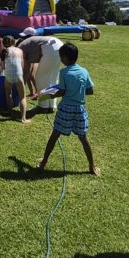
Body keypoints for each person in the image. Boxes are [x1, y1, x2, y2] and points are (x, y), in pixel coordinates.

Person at [36, 42, 99, 174]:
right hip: (80, 110)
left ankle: (43, 162)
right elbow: (90, 90)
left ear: (65, 57)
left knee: (54, 135)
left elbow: (62, 92)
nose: (60, 59)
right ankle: (92, 167)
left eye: (60, 57)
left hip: (65, 110)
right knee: (83, 137)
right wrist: (77, 91)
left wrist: (48, 95)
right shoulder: (84, 71)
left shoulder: (64, 72)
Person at [17, 27, 57, 95]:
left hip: (37, 60)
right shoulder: (27, 43)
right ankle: (32, 92)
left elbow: (27, 69)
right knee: (29, 76)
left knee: (32, 76)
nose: (23, 39)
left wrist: (21, 85)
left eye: (25, 37)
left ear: (30, 36)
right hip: (38, 58)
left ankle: (37, 91)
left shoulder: (30, 43)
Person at [2, 36, 32, 124]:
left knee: (8, 93)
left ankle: (9, 111)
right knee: (22, 97)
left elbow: (3, 67)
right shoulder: (20, 50)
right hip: (18, 74)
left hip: (8, 75)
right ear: (13, 42)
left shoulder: (4, 51)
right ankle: (23, 118)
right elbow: (22, 66)